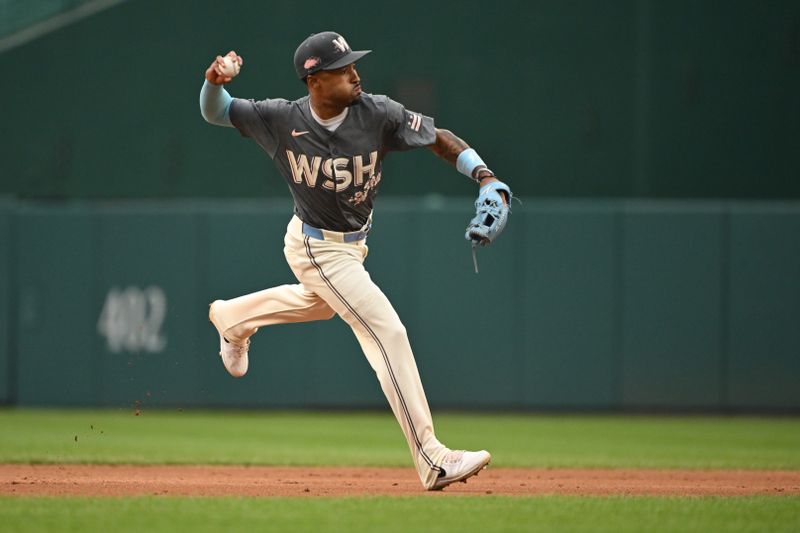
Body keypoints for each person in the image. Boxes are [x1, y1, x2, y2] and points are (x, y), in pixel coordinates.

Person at [199, 31, 511, 491]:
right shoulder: (281, 118)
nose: (355, 73)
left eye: (353, 64)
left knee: (322, 303)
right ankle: (432, 457)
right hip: (315, 245)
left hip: (351, 245)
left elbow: (438, 138)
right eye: (343, 68)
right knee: (387, 331)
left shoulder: (377, 112)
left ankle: (233, 316)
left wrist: (485, 176)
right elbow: (217, 111)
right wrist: (213, 81)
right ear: (315, 80)